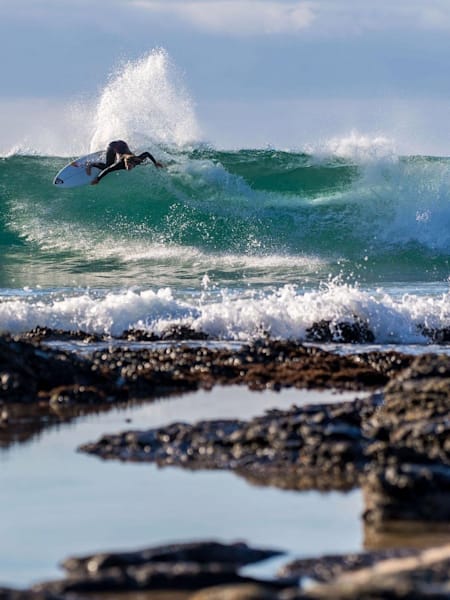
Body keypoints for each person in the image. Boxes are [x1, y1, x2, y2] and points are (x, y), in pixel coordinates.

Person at [87, 140, 164, 185]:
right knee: (108, 165)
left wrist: (155, 162)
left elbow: (147, 153)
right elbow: (107, 170)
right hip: (112, 146)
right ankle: (91, 164)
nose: (128, 167)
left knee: (143, 163)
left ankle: (108, 155)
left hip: (122, 143)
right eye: (127, 165)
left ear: (133, 163)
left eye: (129, 166)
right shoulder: (120, 164)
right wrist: (98, 179)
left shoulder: (136, 160)